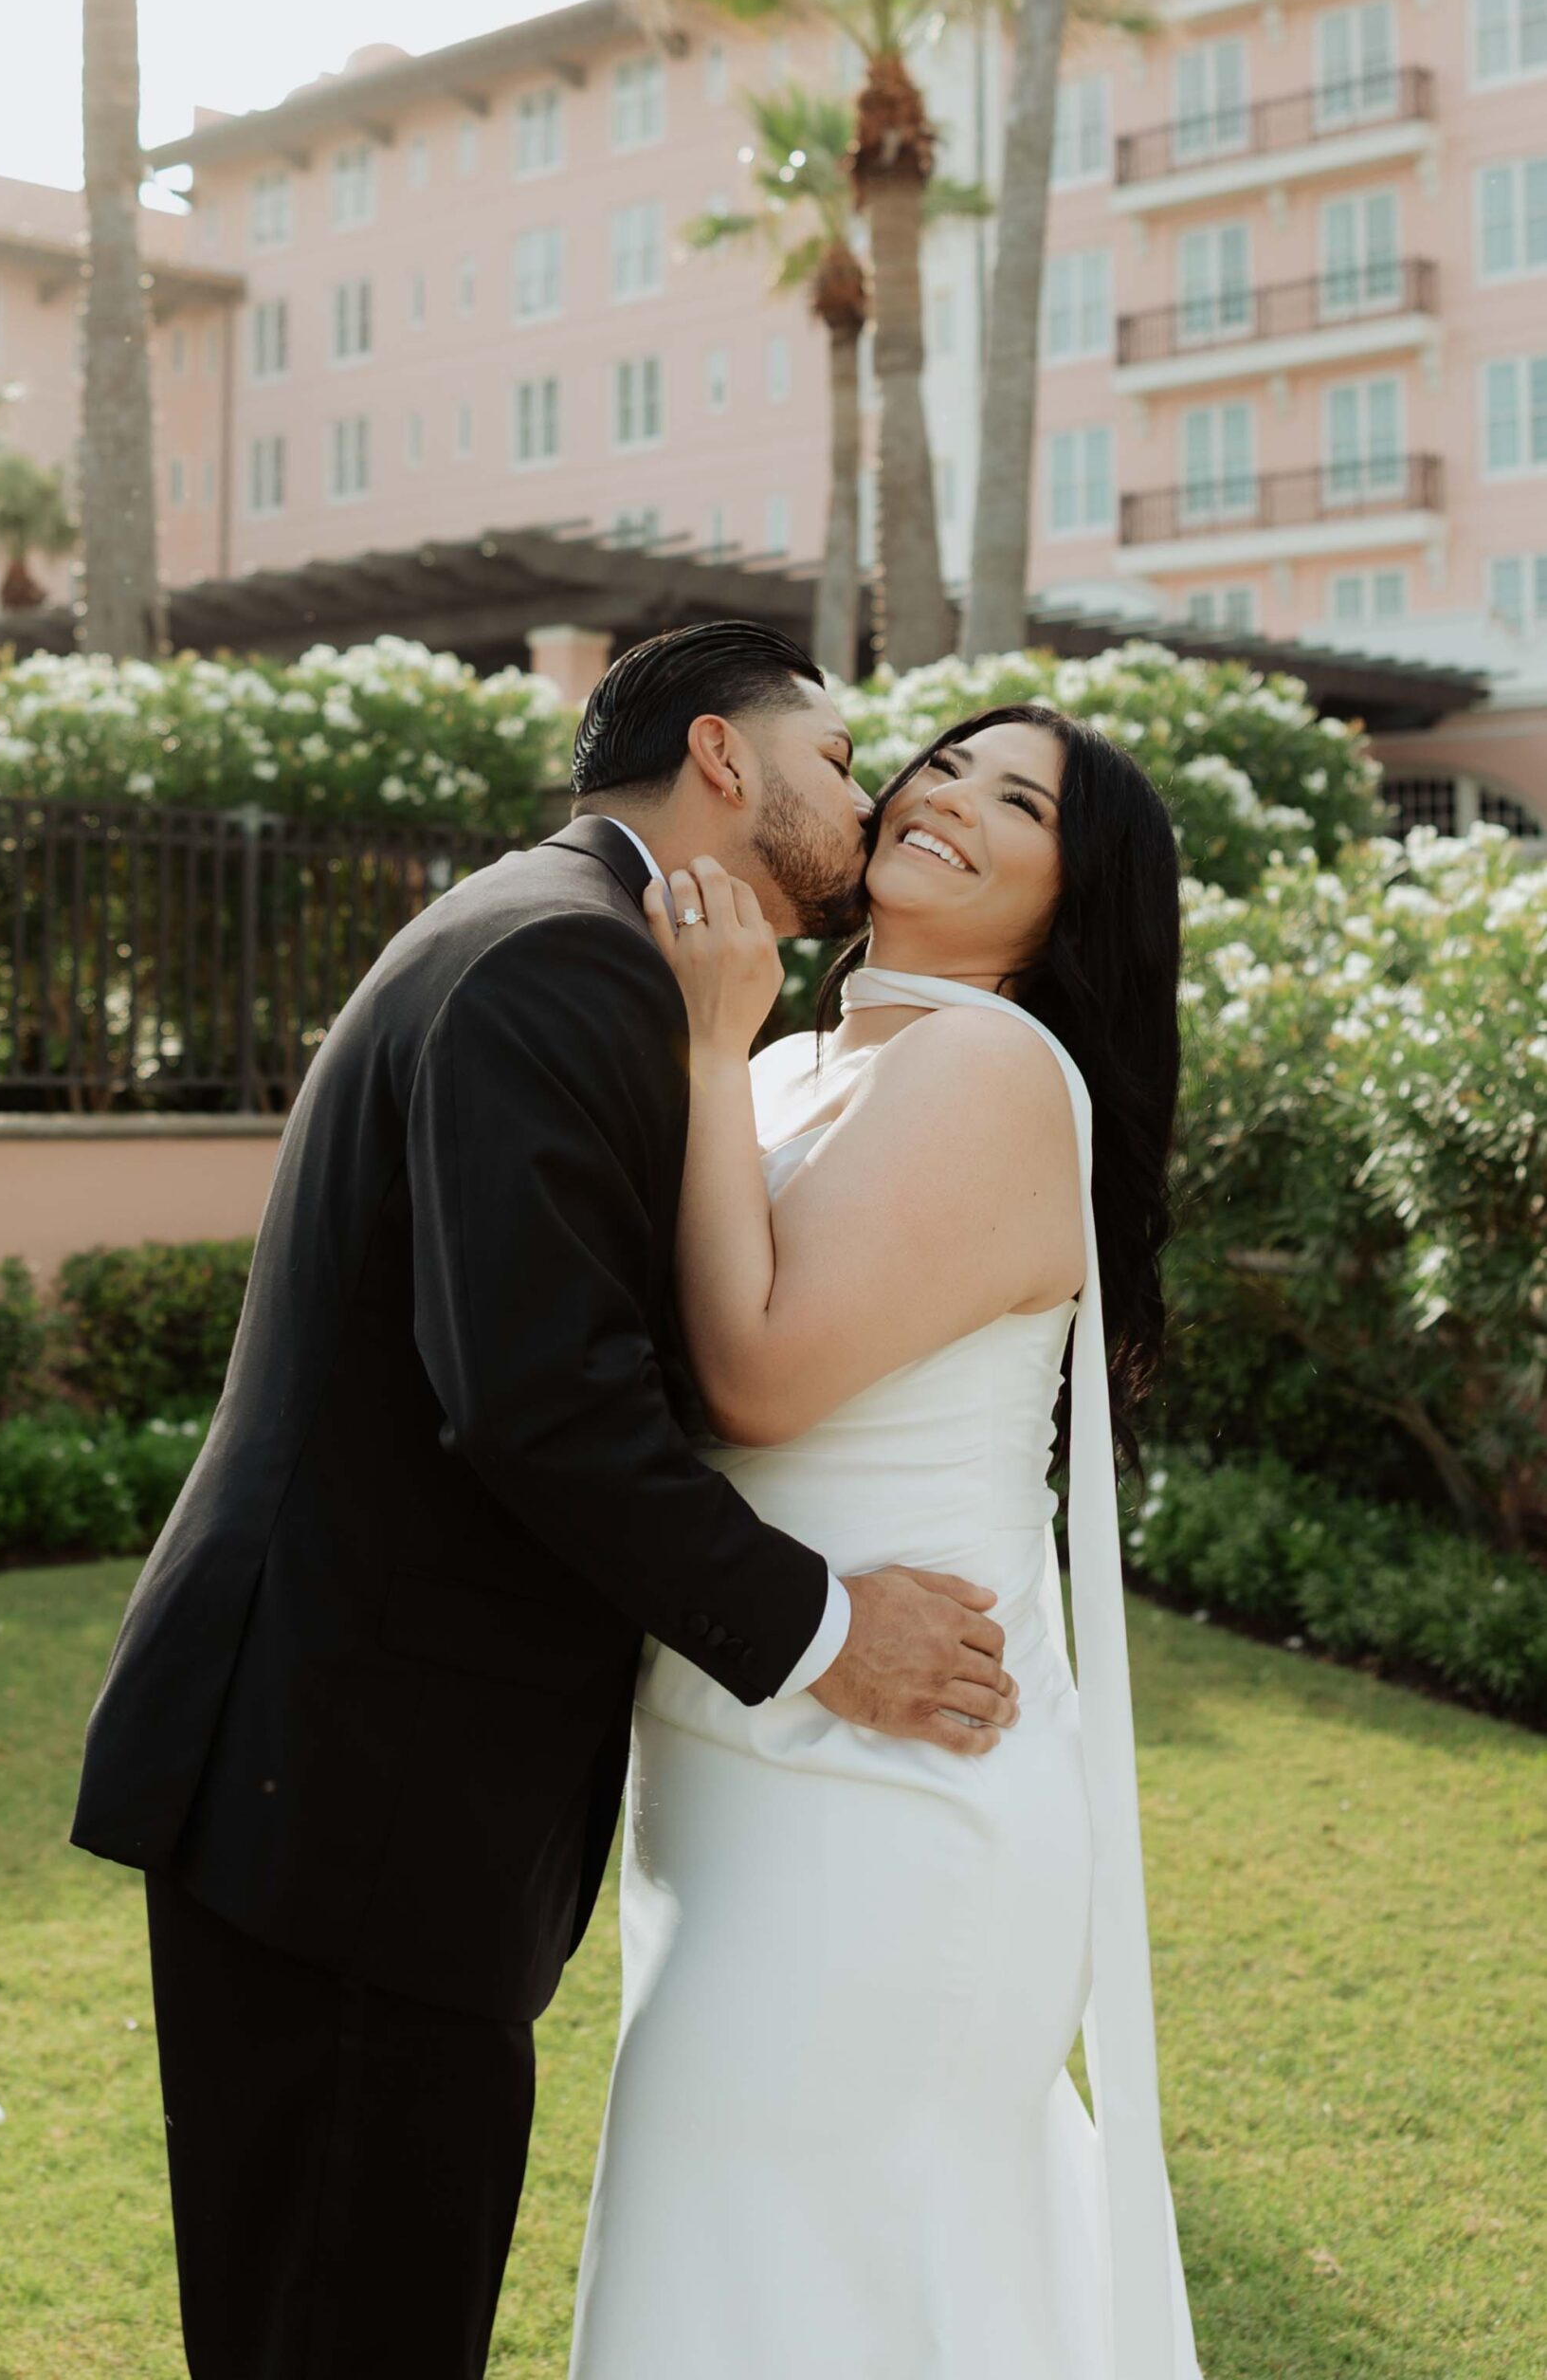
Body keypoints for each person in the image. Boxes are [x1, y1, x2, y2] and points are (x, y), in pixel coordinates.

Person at [67, 620, 1019, 2380]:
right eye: (834, 758)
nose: (867, 796)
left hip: (347, 1785)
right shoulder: (563, 961)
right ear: (721, 757)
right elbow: (542, 1406)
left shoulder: (564, 936)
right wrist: (829, 1632)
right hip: (358, 1799)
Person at [568, 702, 1204, 2378]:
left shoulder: (989, 1069)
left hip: (897, 1783)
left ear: (1077, 904)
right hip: (740, 1748)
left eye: (1023, 806)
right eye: (946, 764)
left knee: (811, 2262)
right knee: (755, 2260)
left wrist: (707, 1048)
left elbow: (759, 1378)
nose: (951, 800)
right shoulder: (800, 1064)